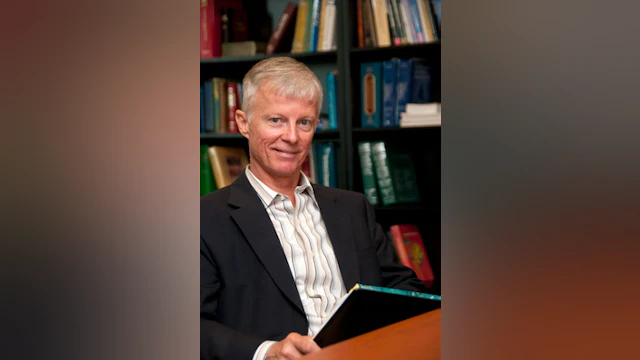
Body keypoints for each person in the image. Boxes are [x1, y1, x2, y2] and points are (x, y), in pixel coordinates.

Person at [200, 56, 426, 360]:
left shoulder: (352, 207)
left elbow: (400, 287)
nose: (292, 137)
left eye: (304, 122)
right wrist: (268, 351)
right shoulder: (206, 218)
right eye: (276, 120)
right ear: (243, 123)